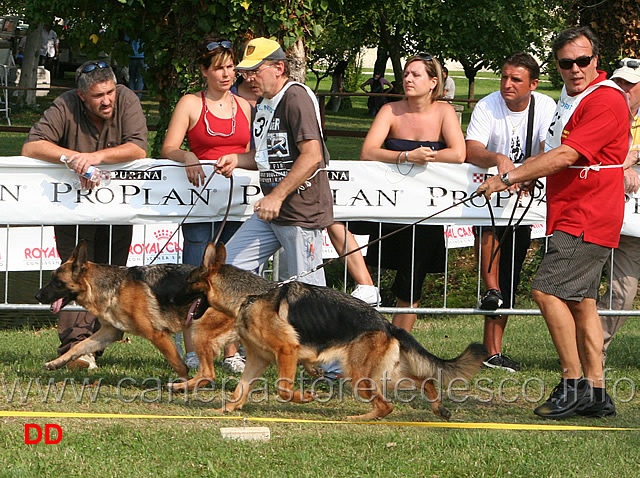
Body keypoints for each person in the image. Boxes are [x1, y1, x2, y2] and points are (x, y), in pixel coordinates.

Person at [477, 27, 629, 418]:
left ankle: (572, 383)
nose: (575, 69)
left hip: (589, 212)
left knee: (546, 291)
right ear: (557, 66)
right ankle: (596, 394)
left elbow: (565, 155)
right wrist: (529, 174)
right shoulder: (571, 96)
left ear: (597, 60)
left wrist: (510, 176)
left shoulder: (606, 100)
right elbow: (553, 149)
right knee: (582, 302)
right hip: (571, 208)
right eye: (566, 63)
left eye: (582, 61)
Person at [23, 60, 148, 369]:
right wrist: (70, 158)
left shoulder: (127, 98)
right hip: (72, 209)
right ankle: (75, 347)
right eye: (97, 96)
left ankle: (96, 345)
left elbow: (137, 149)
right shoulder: (64, 104)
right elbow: (31, 146)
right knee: (73, 277)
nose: (106, 100)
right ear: (81, 96)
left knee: (111, 276)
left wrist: (94, 158)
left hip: (117, 209)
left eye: (109, 92)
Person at [161, 38, 252, 374]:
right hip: (199, 203)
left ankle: (231, 351)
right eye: (218, 68)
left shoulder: (246, 106)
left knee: (232, 278)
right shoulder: (190, 102)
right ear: (204, 71)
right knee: (196, 276)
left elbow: (257, 153)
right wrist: (187, 156)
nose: (227, 74)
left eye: (231, 67)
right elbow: (169, 147)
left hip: (237, 203)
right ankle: (192, 349)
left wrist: (240, 159)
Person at [358, 53, 465, 333]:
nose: (407, 79)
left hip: (427, 209)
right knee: (379, 266)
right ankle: (368, 332)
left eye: (415, 75)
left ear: (433, 82)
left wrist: (426, 156)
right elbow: (368, 152)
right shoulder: (390, 110)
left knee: (413, 277)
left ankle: (399, 341)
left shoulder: (445, 112)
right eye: (406, 73)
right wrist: (406, 156)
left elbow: (458, 153)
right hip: (389, 204)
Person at [215, 37, 333, 287]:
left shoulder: (295, 97)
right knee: (227, 271)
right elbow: (267, 157)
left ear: (279, 68)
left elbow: (312, 155)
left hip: (300, 213)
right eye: (245, 72)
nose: (248, 78)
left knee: (308, 294)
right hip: (272, 213)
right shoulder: (264, 103)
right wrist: (237, 159)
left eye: (255, 71)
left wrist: (276, 197)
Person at [465, 52, 557, 372]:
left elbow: (549, 149)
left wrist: (520, 174)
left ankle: (493, 352)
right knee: (489, 242)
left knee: (511, 272)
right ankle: (490, 290)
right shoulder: (487, 105)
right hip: (489, 193)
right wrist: (498, 158)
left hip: (524, 195)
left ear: (533, 84)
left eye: (515, 79)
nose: (507, 84)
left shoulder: (545, 106)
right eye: (504, 77)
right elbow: (471, 148)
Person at [597, 58, 640, 359]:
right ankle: (588, 351)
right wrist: (622, 164)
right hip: (619, 222)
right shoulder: (603, 113)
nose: (623, 89)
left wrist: (635, 156)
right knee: (622, 294)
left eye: (630, 85)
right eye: (619, 82)